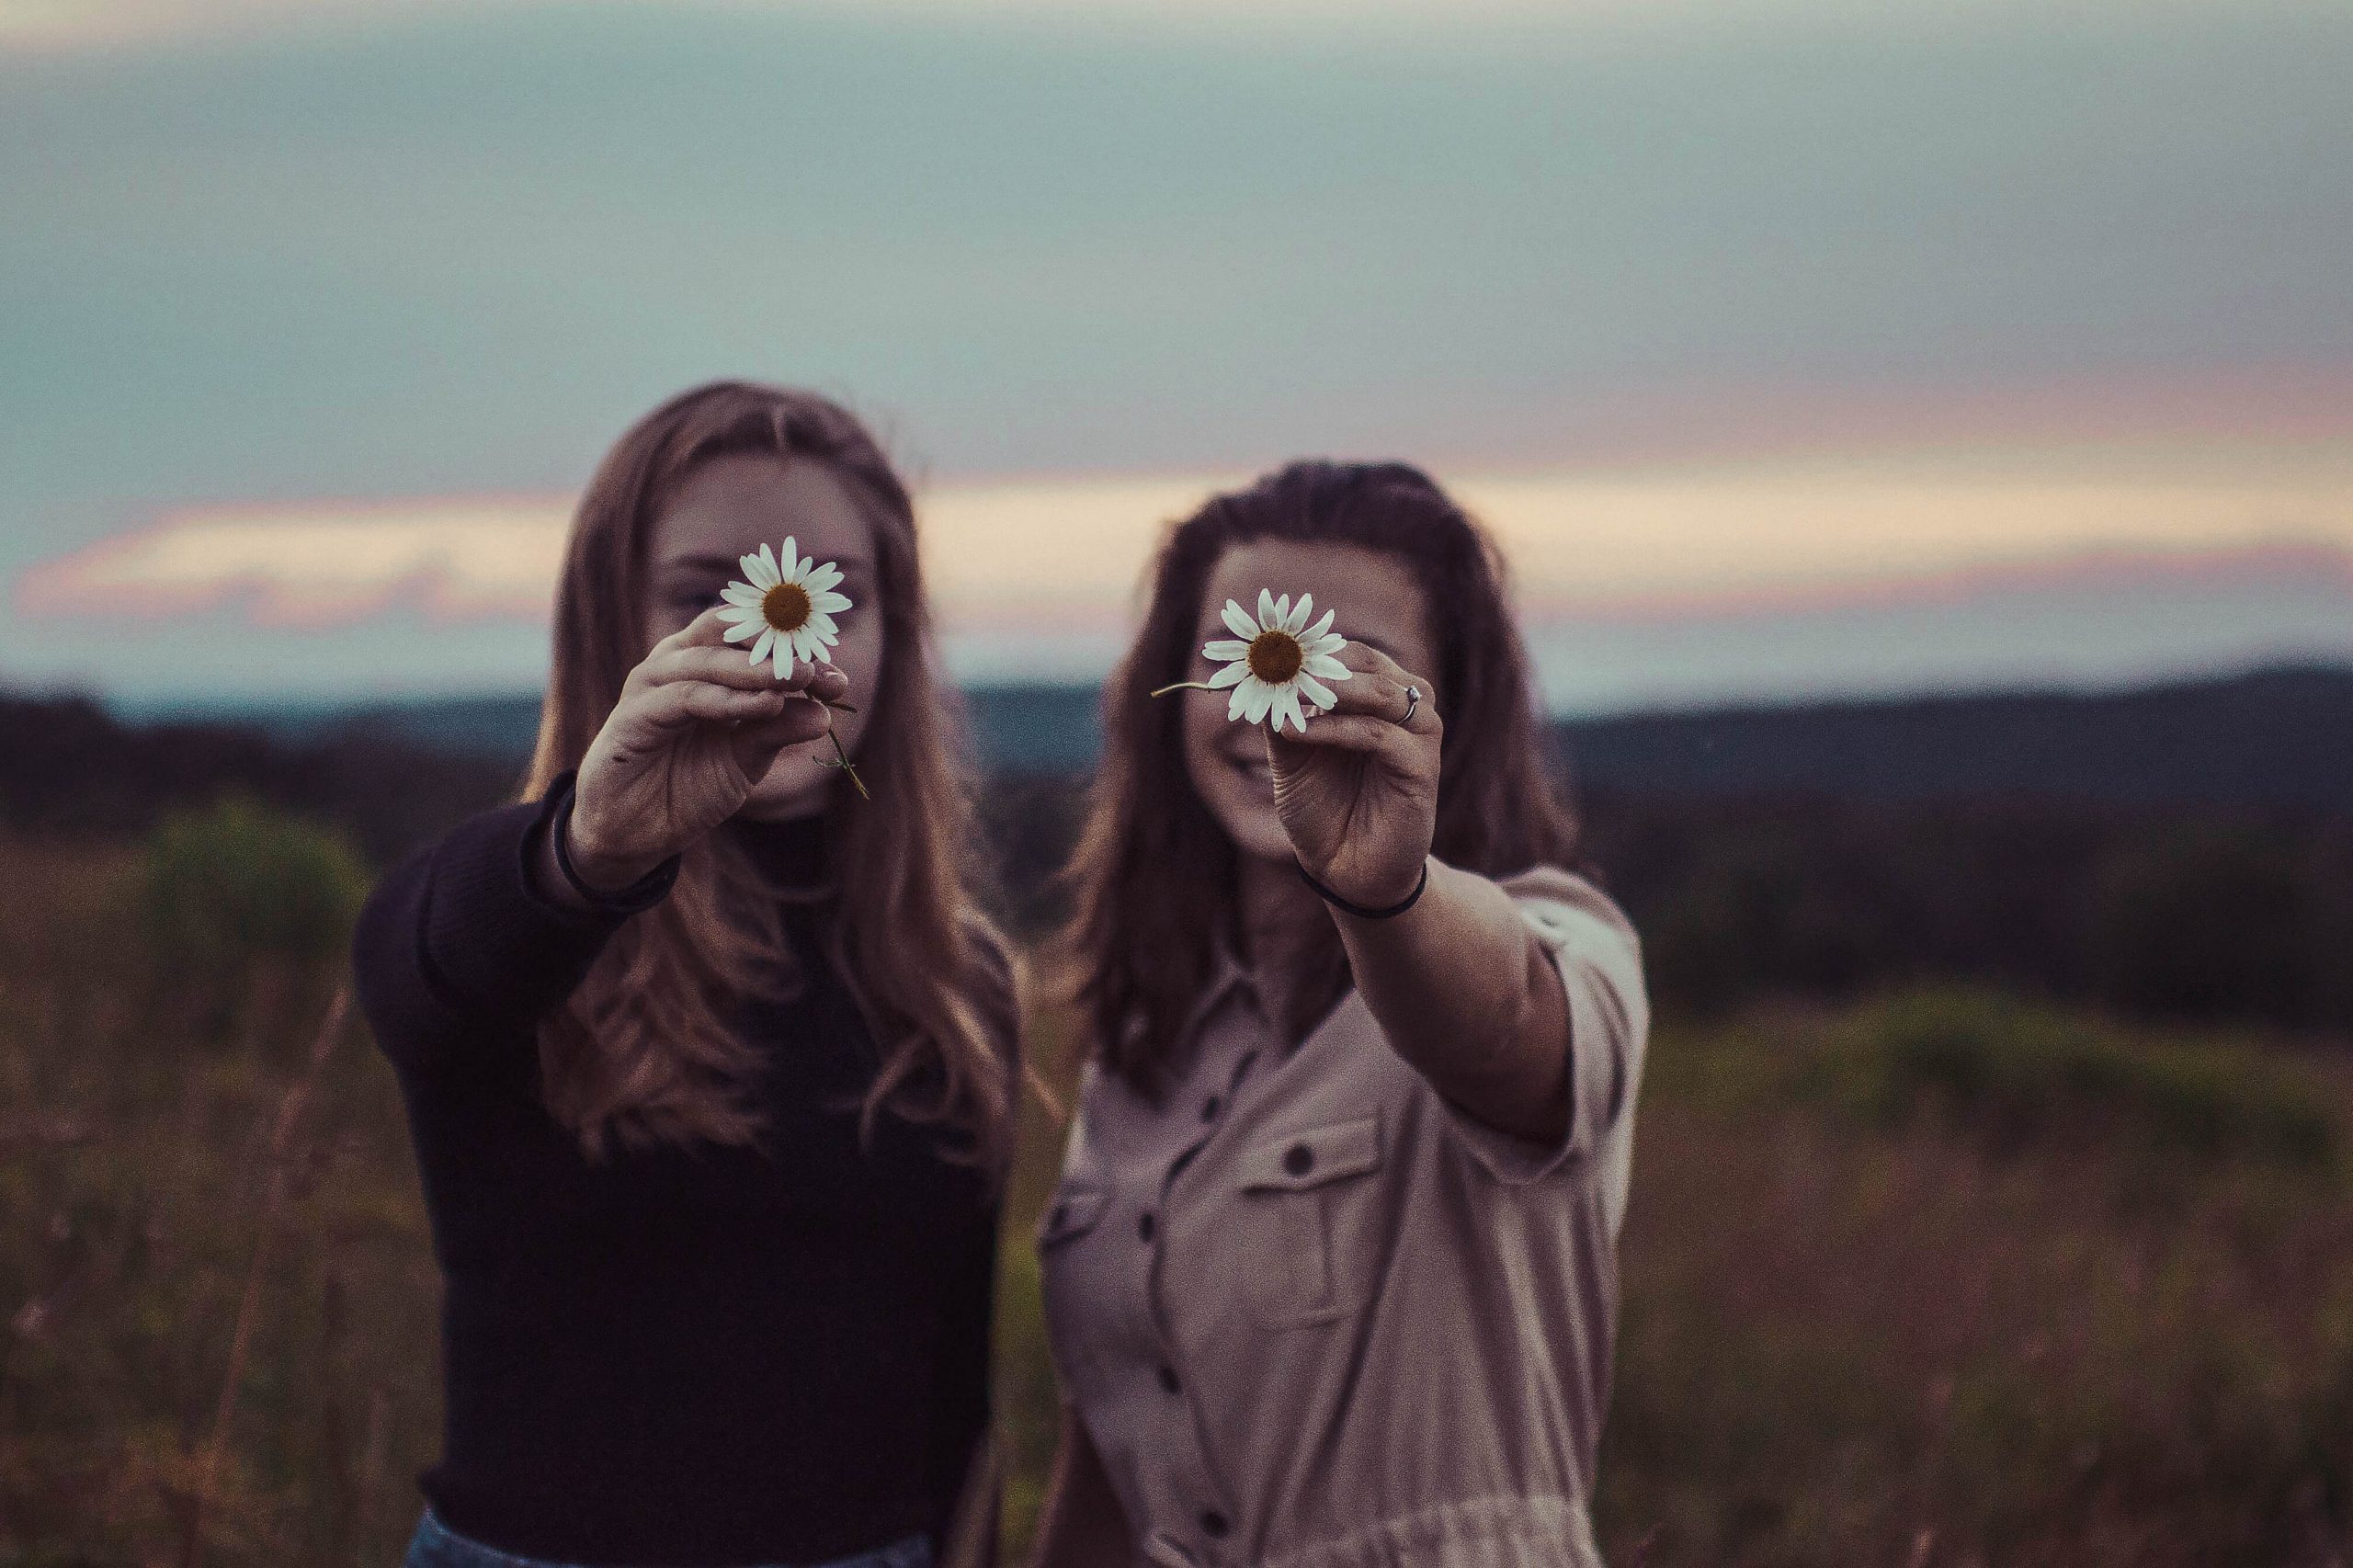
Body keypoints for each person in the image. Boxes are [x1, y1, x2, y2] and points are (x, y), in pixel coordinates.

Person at [352, 381, 1017, 1568]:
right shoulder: (524, 913)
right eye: (707, 592)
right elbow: (419, 969)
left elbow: (956, 1392)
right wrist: (590, 851)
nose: (779, 632)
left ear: (895, 633)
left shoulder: (957, 978)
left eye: (836, 594)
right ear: (610, 620)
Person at [1029, 460, 1649, 1568]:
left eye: (1356, 661)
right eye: (1250, 650)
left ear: (1452, 703)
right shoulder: (1145, 1044)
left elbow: (1504, 1025)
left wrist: (1385, 887)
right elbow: (1113, 1464)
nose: (1288, 698)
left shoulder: (1557, 938)